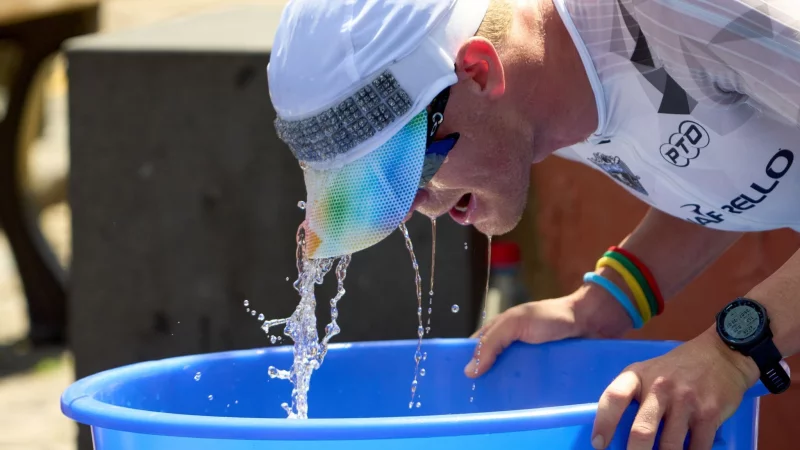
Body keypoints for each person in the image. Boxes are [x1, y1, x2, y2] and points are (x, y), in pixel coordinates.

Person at [267, 0, 800, 448]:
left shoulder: (691, 14)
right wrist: (603, 304)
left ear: (479, 72)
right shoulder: (534, 103)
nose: (414, 205)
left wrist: (733, 353)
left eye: (412, 169)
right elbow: (733, 167)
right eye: (374, 189)